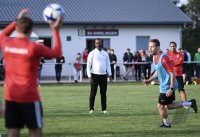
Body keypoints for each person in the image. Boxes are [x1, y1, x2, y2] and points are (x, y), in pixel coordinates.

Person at [0, 8, 63, 137]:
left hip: (11, 96)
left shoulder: (6, 43)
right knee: (35, 132)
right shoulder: (34, 48)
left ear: (17, 29)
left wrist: (16, 20)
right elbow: (57, 53)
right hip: (30, 97)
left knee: (12, 131)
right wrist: (55, 30)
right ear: (30, 30)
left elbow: (3, 34)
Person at [143, 39, 197, 128]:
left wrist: (171, 88)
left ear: (157, 47)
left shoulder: (164, 59)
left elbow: (172, 73)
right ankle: (190, 103)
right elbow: (158, 71)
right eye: (149, 47)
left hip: (168, 86)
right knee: (169, 106)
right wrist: (149, 80)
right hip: (164, 85)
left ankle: (167, 124)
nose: (150, 48)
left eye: (152, 46)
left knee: (160, 106)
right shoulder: (154, 57)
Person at [87, 38, 111, 114]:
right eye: (97, 43)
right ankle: (91, 109)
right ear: (95, 44)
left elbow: (108, 65)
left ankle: (104, 109)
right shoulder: (92, 53)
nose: (98, 44)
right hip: (94, 75)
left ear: (102, 43)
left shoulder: (105, 53)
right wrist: (89, 75)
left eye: (99, 43)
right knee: (93, 93)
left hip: (103, 75)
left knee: (103, 93)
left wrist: (109, 74)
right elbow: (88, 65)